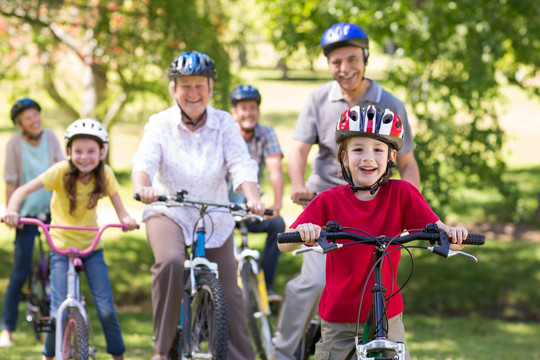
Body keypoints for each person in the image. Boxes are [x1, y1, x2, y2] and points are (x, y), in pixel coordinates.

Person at [273, 22, 421, 360]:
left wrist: (404, 204)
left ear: (365, 59)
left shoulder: (389, 104)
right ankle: (282, 353)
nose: (345, 69)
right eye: (336, 62)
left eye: (352, 59)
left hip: (377, 204)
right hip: (327, 207)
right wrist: (297, 185)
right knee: (314, 282)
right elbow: (297, 150)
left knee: (380, 287)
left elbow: (408, 164)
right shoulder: (319, 99)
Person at [278, 105, 469, 360]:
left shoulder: (402, 194)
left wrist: (454, 236)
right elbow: (284, 244)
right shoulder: (329, 200)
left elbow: (439, 231)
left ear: (391, 157)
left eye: (378, 150)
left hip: (388, 316)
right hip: (340, 319)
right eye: (358, 149)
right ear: (343, 157)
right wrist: (304, 230)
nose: (368, 158)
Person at [132, 51, 265, 360]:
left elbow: (241, 163)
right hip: (169, 211)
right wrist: (142, 188)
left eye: (199, 85)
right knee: (171, 263)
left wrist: (252, 196)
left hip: (214, 215)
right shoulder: (160, 123)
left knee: (230, 295)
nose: (193, 93)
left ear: (211, 88)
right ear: (173, 89)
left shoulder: (225, 124)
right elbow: (144, 160)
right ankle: (162, 350)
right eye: (185, 85)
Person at [3, 118, 138, 360]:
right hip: (61, 248)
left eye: (91, 151)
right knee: (57, 312)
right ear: (68, 152)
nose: (84, 157)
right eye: (78, 151)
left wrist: (126, 219)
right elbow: (22, 190)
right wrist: (12, 211)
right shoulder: (60, 171)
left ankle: (118, 356)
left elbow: (121, 208)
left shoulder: (104, 174)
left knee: (106, 309)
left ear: (102, 152)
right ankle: (48, 355)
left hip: (91, 247)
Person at [0, 98, 64, 348]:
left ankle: (62, 319)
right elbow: (12, 181)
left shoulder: (50, 137)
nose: (35, 120)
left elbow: (63, 170)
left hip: (52, 213)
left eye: (36, 115)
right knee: (20, 270)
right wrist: (10, 211)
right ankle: (7, 328)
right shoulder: (14, 144)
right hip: (25, 214)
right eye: (28, 118)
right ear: (19, 124)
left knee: (61, 263)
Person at [228, 84, 286, 300]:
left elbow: (275, 168)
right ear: (234, 112)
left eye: (253, 107)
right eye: (243, 108)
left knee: (278, 226)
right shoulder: (227, 134)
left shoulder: (266, 134)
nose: (248, 113)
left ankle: (266, 286)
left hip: (251, 206)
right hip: (222, 206)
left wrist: (277, 203)